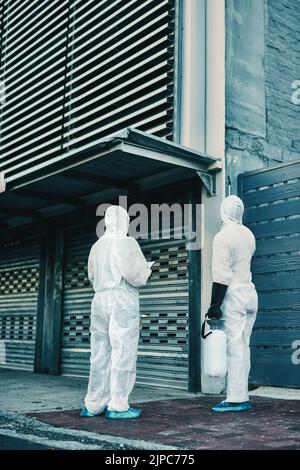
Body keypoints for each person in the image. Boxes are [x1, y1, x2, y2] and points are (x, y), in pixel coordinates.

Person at [81, 205, 152, 419]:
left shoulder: (96, 245)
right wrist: (147, 270)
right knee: (123, 350)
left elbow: (91, 275)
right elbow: (136, 276)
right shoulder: (126, 242)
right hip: (121, 298)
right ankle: (118, 405)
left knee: (100, 352)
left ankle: (93, 404)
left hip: (99, 298)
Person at [207, 195, 258, 412]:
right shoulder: (249, 234)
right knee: (244, 346)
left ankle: (236, 398)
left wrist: (214, 305)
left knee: (234, 347)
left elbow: (221, 275)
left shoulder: (223, 236)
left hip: (234, 294)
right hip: (250, 293)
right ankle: (242, 393)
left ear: (223, 211)